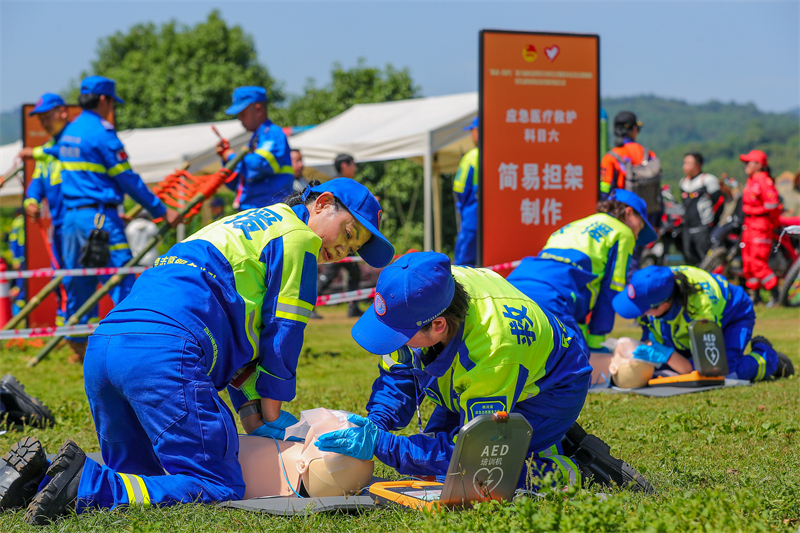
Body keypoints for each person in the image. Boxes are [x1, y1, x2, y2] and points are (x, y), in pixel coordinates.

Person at [0, 178, 393, 525]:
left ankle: (37, 478)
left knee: (145, 476)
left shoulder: (243, 224)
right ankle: (84, 483)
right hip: (163, 353)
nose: (344, 248)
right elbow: (283, 333)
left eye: (353, 247)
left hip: (106, 346)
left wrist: (249, 412)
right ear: (321, 203)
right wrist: (272, 412)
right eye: (348, 232)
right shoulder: (299, 238)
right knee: (217, 483)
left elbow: (240, 337)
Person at [316, 252, 653, 493]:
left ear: (438, 326)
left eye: (399, 334)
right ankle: (534, 437)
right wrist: (377, 423)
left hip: (553, 387)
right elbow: (398, 373)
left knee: (477, 478)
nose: (394, 342)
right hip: (494, 374)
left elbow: (472, 454)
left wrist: (385, 446)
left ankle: (573, 469)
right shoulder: (425, 289)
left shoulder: (492, 351)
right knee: (431, 473)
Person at [50, 76, 181, 362]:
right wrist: (161, 211)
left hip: (73, 218)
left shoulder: (70, 131)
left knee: (78, 281)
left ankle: (77, 346)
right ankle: (131, 345)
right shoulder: (102, 133)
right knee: (123, 278)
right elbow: (127, 178)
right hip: (99, 220)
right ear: (103, 100)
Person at [507, 190, 657, 352]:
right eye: (641, 226)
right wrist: (596, 340)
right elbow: (612, 288)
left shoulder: (576, 224)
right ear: (628, 213)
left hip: (513, 287)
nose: (637, 235)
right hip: (554, 293)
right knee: (576, 360)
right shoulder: (623, 232)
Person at [612, 265, 792, 382]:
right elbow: (648, 328)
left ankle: (769, 358)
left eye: (643, 309)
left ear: (664, 305)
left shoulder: (700, 309)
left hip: (733, 315)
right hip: (692, 322)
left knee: (721, 374)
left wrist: (669, 356)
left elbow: (707, 364)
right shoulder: (655, 283)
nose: (641, 314)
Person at [19, 94, 70, 324]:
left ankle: (82, 333)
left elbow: (68, 151)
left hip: (80, 221)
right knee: (59, 277)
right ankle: (65, 330)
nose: (44, 123)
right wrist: (30, 201)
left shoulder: (74, 139)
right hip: (59, 225)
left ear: (63, 112)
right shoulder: (48, 148)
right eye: (41, 119)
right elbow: (36, 183)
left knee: (79, 279)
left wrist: (36, 152)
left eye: (47, 116)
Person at [600, 111, 660, 277]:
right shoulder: (649, 155)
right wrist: (656, 221)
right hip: (642, 217)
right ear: (634, 130)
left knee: (614, 262)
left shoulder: (611, 157)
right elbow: (657, 189)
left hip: (618, 214)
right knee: (633, 261)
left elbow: (604, 190)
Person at [217, 86, 294, 211]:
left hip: (268, 211)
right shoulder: (256, 140)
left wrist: (230, 156)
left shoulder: (272, 134)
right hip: (256, 211)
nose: (240, 119)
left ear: (258, 110)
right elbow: (235, 184)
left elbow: (259, 165)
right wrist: (225, 159)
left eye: (242, 114)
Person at [315, 153, 364, 319]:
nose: (355, 168)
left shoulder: (344, 184)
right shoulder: (339, 185)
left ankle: (353, 307)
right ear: (344, 165)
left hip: (347, 241)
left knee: (355, 272)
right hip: (338, 240)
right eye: (352, 164)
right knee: (329, 274)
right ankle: (311, 304)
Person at [739, 150, 782, 306]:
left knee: (757, 261)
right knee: (748, 261)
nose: (745, 165)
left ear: (759, 165)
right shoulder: (750, 181)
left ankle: (776, 294)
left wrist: (775, 223)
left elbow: (772, 205)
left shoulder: (764, 180)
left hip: (760, 224)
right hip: (749, 224)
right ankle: (755, 296)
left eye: (748, 162)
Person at [679, 153, 723, 266]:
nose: (685, 166)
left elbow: (718, 203)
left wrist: (713, 223)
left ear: (698, 165)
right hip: (687, 228)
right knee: (690, 259)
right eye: (684, 163)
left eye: (689, 163)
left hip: (703, 227)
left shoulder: (708, 180)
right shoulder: (683, 183)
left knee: (705, 260)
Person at [452, 117, 479, 267]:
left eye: (472, 131)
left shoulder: (471, 157)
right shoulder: (500, 155)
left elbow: (459, 189)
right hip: (495, 222)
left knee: (463, 266)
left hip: (472, 219)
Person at [7, 210, 26, 315]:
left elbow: (13, 242)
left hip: (22, 257)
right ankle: (17, 312)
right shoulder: (21, 221)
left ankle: (18, 311)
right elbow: (14, 242)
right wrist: (16, 259)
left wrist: (15, 259)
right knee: (20, 284)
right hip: (22, 258)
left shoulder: (18, 221)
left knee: (21, 284)